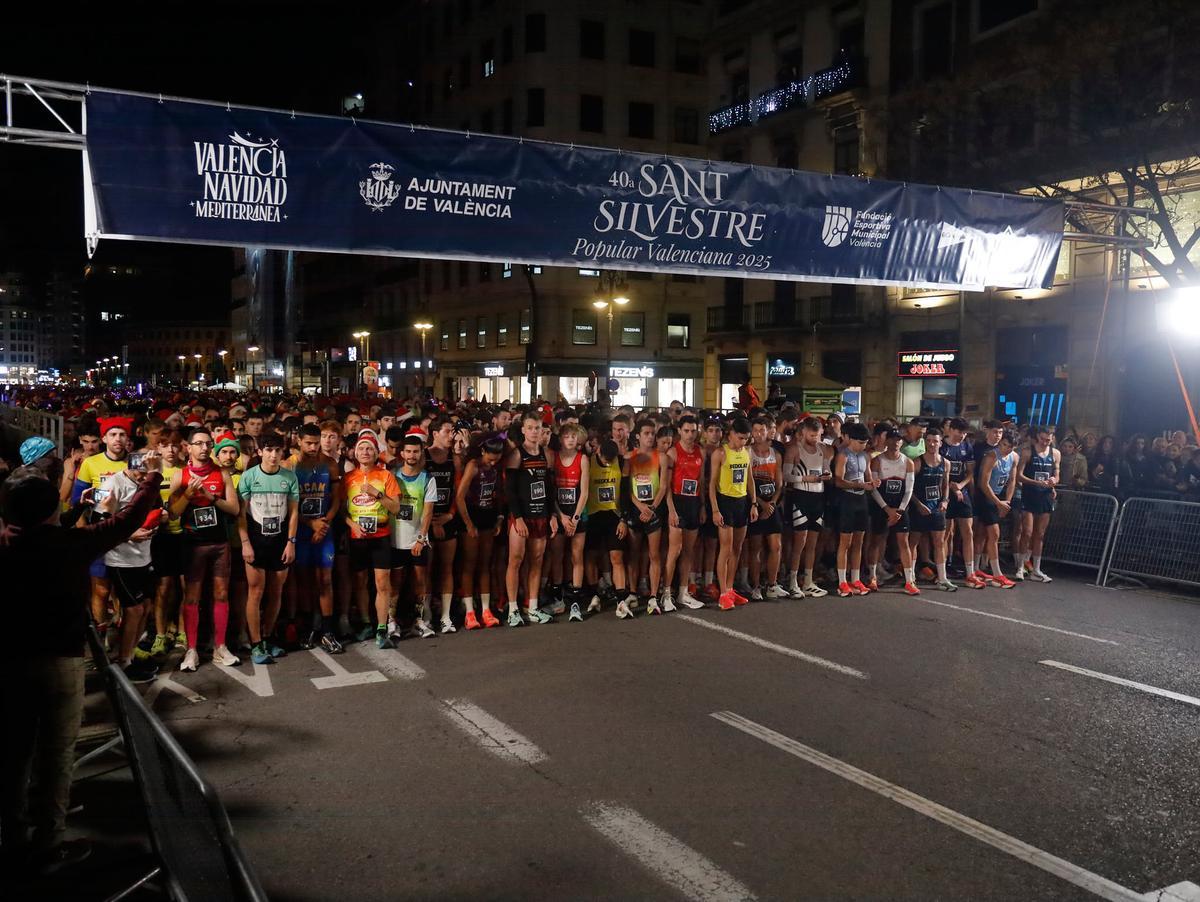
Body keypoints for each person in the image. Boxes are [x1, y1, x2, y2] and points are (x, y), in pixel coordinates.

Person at [2, 465, 162, 874]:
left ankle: (13, 833)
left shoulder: (8, 544)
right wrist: (150, 482)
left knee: (15, 752)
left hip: (12, 659)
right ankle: (47, 843)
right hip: (61, 661)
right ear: (52, 508)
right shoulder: (71, 543)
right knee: (56, 755)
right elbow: (125, 520)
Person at [169, 427, 241, 672]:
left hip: (220, 544)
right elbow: (172, 513)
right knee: (192, 598)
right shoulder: (181, 475)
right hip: (193, 544)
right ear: (188, 447)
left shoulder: (222, 474)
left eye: (207, 443)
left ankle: (220, 647)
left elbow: (234, 509)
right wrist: (188, 495)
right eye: (198, 443)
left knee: (221, 595)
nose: (204, 448)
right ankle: (191, 650)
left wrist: (211, 499)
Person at [95, 450, 164, 683]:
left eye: (147, 471)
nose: (142, 476)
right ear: (130, 465)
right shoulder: (112, 483)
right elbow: (98, 522)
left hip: (144, 557)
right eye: (139, 470)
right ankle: (123, 663)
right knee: (133, 609)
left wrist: (158, 518)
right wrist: (130, 534)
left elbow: (158, 508)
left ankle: (132, 657)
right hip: (120, 559)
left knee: (145, 607)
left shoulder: (148, 484)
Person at [237, 432, 300, 664]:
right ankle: (255, 644)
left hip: (280, 541)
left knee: (276, 592)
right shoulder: (249, 477)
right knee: (256, 592)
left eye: (278, 450)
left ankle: (267, 637)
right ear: (260, 452)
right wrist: (245, 543)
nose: (273, 455)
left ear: (283, 452)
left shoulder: (289, 477)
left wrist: (290, 543)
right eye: (269, 450)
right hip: (256, 542)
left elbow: (294, 512)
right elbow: (240, 515)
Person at [343, 430, 402, 644]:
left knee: (382, 582)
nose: (365, 452)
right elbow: (341, 511)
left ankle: (381, 627)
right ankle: (367, 623)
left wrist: (376, 494)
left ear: (377, 452)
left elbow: (396, 508)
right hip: (357, 536)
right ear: (355, 453)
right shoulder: (349, 478)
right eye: (361, 448)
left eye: (369, 448)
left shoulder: (386, 476)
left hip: (381, 535)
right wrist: (352, 525)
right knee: (360, 581)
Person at [289, 424, 343, 654]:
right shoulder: (290, 466)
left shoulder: (329, 464)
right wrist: (310, 523)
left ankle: (327, 630)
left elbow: (337, 500)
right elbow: (288, 504)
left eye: (316, 443)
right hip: (301, 530)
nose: (313, 447)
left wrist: (324, 523)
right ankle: (308, 626)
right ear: (298, 441)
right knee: (303, 581)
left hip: (324, 529)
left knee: (325, 580)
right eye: (309, 442)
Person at [503, 411, 558, 626]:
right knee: (515, 561)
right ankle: (513, 609)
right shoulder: (517, 455)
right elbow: (510, 491)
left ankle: (533, 607)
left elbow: (550, 489)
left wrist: (552, 515)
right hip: (521, 517)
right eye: (531, 428)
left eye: (539, 428)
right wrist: (517, 518)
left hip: (541, 516)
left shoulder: (548, 454)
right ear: (523, 430)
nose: (535, 432)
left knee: (537, 561)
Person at [391, 433, 439, 637]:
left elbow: (428, 512)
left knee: (420, 581)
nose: (412, 455)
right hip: (395, 540)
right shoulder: (392, 475)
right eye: (408, 451)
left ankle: (420, 619)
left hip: (417, 541)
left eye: (416, 451)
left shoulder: (427, 478)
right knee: (395, 582)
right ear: (402, 453)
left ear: (421, 453)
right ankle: (391, 620)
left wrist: (421, 538)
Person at [456, 435, 505, 629]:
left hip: (488, 517)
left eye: (497, 458)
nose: (493, 462)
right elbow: (460, 497)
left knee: (485, 564)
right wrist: (468, 523)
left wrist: (499, 518)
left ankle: (486, 609)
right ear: (483, 451)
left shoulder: (496, 467)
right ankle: (469, 611)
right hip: (472, 516)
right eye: (490, 458)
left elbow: (499, 494)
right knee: (470, 564)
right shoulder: (473, 465)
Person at [709, 417, 758, 610]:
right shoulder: (721, 453)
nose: (742, 442)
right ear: (730, 434)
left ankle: (730, 588)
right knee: (726, 548)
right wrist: (715, 509)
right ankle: (722, 592)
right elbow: (712, 484)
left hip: (742, 502)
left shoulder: (746, 452)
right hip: (725, 501)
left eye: (746, 438)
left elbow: (750, 479)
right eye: (740, 438)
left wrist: (753, 503)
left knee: (737, 549)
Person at [782, 417, 832, 597]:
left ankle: (808, 580)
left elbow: (827, 470)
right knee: (799, 542)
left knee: (812, 542)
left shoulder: (823, 450)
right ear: (803, 433)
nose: (815, 439)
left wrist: (827, 475)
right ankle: (793, 580)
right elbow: (786, 476)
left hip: (818, 497)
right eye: (812, 435)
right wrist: (805, 478)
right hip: (801, 496)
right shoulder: (795, 449)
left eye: (818, 435)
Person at [867, 429, 919, 595]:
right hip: (882, 506)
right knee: (876, 540)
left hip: (899, 508)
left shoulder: (908, 463)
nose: (896, 443)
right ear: (886, 441)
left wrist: (900, 510)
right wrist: (886, 509)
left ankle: (910, 580)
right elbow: (874, 489)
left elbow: (909, 490)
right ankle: (872, 576)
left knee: (903, 542)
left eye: (899, 440)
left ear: (902, 443)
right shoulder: (877, 461)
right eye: (893, 439)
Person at [625, 419, 669, 613]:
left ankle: (653, 595)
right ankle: (632, 592)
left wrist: (651, 508)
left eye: (653, 433)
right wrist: (640, 506)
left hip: (654, 509)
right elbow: (627, 488)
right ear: (638, 436)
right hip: (637, 509)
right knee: (633, 553)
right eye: (646, 433)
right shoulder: (630, 457)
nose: (650, 437)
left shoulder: (662, 457)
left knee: (654, 554)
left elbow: (664, 486)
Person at [584, 438, 631, 615]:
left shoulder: (622, 462)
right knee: (591, 556)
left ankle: (620, 598)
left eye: (611, 460)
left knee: (617, 557)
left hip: (614, 516)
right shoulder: (588, 462)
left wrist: (624, 519)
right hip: (593, 516)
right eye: (605, 460)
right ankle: (594, 594)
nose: (608, 463)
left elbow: (625, 492)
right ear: (598, 453)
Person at [663, 415, 705, 610]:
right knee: (674, 550)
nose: (690, 435)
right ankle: (665, 593)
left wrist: (703, 505)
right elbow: (667, 486)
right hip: (677, 502)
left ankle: (682, 592)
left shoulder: (700, 452)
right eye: (686, 431)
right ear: (679, 431)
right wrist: (671, 510)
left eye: (693, 431)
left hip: (693, 503)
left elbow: (702, 481)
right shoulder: (672, 452)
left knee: (689, 551)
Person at [909, 428, 957, 591]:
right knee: (913, 542)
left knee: (939, 543)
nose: (931, 444)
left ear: (940, 443)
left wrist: (945, 501)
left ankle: (942, 578)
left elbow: (945, 485)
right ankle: (910, 577)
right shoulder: (916, 462)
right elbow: (909, 488)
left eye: (935, 441)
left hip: (937, 508)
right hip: (919, 508)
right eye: (928, 440)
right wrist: (918, 504)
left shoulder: (946, 463)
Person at [551, 423, 590, 621]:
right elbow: (552, 491)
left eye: (574, 436)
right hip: (560, 514)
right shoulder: (554, 458)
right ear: (561, 439)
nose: (571, 439)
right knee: (557, 555)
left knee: (577, 556)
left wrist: (574, 518)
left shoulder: (582, 459)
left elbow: (584, 491)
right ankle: (558, 597)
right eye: (567, 436)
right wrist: (560, 516)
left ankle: (575, 600)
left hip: (577, 514)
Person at [832, 422, 876, 597]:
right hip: (847, 499)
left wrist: (873, 484)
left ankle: (855, 578)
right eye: (860, 442)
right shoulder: (843, 455)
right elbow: (838, 480)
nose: (862, 446)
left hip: (861, 500)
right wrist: (859, 484)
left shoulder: (865, 456)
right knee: (845, 542)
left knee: (859, 541)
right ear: (851, 440)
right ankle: (842, 581)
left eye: (865, 443)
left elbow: (869, 478)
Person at [747, 416, 786, 599]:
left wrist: (772, 503)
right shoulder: (748, 452)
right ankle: (755, 586)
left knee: (775, 546)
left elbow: (779, 484)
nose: (759, 434)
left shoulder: (775, 454)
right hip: (754, 503)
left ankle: (772, 584)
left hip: (771, 504)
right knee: (756, 547)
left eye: (762, 430)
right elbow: (747, 482)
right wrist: (760, 503)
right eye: (755, 431)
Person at [1015, 425, 1060, 583]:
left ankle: (1036, 569)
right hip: (1029, 495)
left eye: (1049, 439)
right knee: (1027, 532)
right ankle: (1020, 566)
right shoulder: (1028, 452)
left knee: (1040, 534)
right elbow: (1019, 476)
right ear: (1037, 438)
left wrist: (1053, 481)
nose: (1046, 442)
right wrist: (1035, 482)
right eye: (1043, 439)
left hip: (1045, 496)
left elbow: (1057, 475)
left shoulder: (1055, 453)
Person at [942, 418, 983, 589]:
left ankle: (970, 572)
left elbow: (970, 472)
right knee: (945, 534)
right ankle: (942, 571)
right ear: (950, 430)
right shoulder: (941, 447)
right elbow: (940, 471)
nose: (961, 436)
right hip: (944, 493)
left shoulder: (967, 447)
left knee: (968, 532)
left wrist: (961, 485)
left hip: (962, 493)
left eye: (964, 433)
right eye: (959, 432)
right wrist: (951, 486)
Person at [975, 430, 1019, 588]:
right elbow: (983, 483)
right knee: (994, 534)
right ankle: (997, 574)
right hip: (985, 496)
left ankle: (976, 568)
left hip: (999, 497)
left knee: (981, 533)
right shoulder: (992, 457)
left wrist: (1006, 501)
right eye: (1004, 445)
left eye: (1009, 446)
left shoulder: (1014, 457)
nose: (1006, 448)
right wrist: (997, 503)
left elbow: (1013, 480)